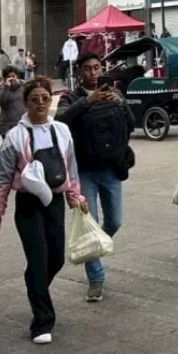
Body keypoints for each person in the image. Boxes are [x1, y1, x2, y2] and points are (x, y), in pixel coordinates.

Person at [0, 79, 87, 344]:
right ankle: (42, 321)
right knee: (38, 257)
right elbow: (3, 176)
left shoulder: (62, 131)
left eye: (45, 98)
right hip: (28, 205)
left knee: (55, 258)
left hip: (54, 203)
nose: (41, 103)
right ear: (26, 102)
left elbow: (70, 169)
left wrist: (76, 197)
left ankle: (35, 282)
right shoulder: (16, 136)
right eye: (35, 99)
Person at [56, 52, 136, 303]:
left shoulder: (115, 93)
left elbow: (132, 124)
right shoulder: (71, 97)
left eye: (96, 68)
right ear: (79, 71)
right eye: (88, 69)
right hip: (84, 172)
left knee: (114, 221)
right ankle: (96, 278)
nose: (93, 73)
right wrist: (87, 102)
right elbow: (59, 121)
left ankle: (95, 249)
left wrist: (121, 103)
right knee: (91, 223)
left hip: (112, 168)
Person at [0, 67, 26, 138]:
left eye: (13, 76)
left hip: (22, 123)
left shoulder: (23, 85)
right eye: (9, 77)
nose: (12, 78)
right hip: (7, 125)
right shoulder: (1, 87)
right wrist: (7, 87)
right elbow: (1, 101)